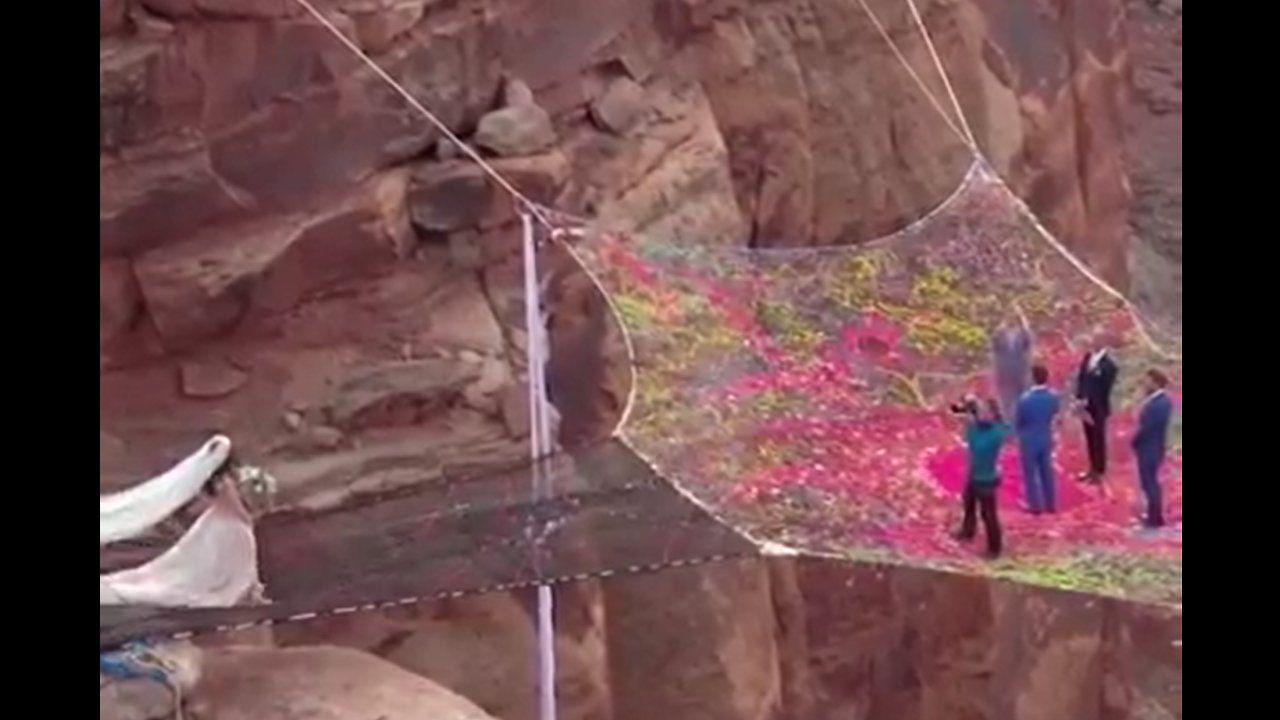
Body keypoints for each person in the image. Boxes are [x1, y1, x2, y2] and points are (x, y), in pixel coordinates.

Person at [952, 396, 1010, 558]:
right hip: (973, 474)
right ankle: (967, 530)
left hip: (986, 479)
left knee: (988, 515)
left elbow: (980, 446)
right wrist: (967, 406)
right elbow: (957, 413)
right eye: (980, 410)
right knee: (968, 505)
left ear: (993, 414)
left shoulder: (996, 432)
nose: (981, 414)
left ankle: (994, 548)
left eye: (986, 411)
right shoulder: (975, 427)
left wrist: (971, 420)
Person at [1015, 364, 1061, 514]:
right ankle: (1051, 503)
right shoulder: (1053, 397)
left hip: (1029, 437)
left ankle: (1034, 504)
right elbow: (1055, 415)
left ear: (1032, 378)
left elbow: (1020, 420)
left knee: (1030, 473)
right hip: (1045, 435)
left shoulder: (1025, 399)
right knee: (1046, 470)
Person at [1132, 369, 1175, 528]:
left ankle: (1155, 517)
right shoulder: (1155, 401)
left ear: (1156, 382)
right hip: (1150, 446)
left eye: (1148, 381)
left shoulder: (1161, 402)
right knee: (1147, 482)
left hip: (1151, 447)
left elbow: (1148, 426)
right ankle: (1152, 514)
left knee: (1150, 482)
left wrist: (1135, 440)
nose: (1145, 384)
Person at [1074, 336, 1119, 484]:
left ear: (1103, 342)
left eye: (1097, 339)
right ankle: (1091, 468)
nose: (1093, 342)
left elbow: (1105, 387)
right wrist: (1079, 397)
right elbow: (1081, 378)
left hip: (1099, 407)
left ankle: (1099, 471)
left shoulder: (1109, 365)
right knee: (1089, 437)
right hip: (1085, 405)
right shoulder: (1088, 358)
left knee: (1099, 438)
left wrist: (1092, 397)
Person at [991, 309, 1033, 423]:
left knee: (1021, 400)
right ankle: (1008, 425)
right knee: (1006, 401)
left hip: (1020, 372)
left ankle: (1020, 423)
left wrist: (1023, 319)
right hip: (1004, 373)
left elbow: (1028, 340)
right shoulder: (1000, 334)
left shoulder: (1022, 333)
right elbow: (994, 344)